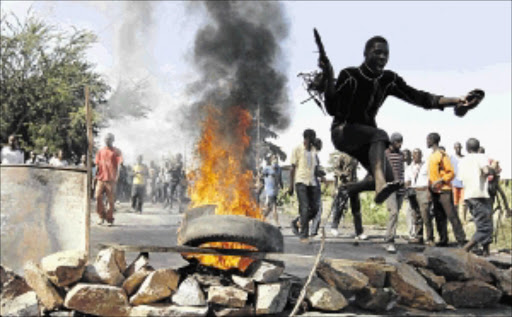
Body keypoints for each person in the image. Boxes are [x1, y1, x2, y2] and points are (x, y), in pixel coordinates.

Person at [318, 35, 482, 209]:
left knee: (390, 178)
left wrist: (456, 101)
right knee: (380, 136)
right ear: (365, 53)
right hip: (343, 132)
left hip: (368, 138)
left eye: (386, 54)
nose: (382, 57)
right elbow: (332, 109)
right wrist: (329, 79)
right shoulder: (350, 75)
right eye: (377, 52)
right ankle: (380, 185)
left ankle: (347, 190)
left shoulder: (388, 80)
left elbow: (419, 97)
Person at [427, 132, 466, 246]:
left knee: (451, 215)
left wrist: (440, 181)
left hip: (444, 190)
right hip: (434, 191)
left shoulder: (442, 155)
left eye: (428, 139)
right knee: (439, 216)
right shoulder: (431, 155)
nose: (427, 142)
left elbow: (451, 173)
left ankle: (461, 240)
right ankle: (443, 239)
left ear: (433, 140)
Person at [458, 138, 494, 256]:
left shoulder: (462, 161)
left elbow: (461, 179)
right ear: (478, 148)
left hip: (469, 195)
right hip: (480, 195)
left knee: (482, 223)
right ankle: (464, 250)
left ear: (467, 149)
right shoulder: (481, 157)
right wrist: (491, 170)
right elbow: (485, 171)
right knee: (485, 227)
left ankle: (486, 251)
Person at [288, 129, 320, 243]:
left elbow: (316, 168)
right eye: (310, 139)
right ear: (305, 139)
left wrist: (321, 174)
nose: (312, 141)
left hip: (312, 183)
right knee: (304, 208)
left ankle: (298, 222)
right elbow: (292, 168)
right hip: (301, 182)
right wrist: (290, 186)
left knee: (315, 209)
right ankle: (303, 236)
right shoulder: (297, 149)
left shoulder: (314, 151)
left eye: (313, 139)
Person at [330, 151, 367, 240]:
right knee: (340, 207)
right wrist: (341, 174)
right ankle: (334, 227)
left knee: (356, 210)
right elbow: (335, 168)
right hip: (344, 185)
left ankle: (359, 232)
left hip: (354, 184)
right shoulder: (343, 156)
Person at [404, 148, 434, 246]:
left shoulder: (427, 166)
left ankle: (430, 238)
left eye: (417, 154)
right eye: (414, 154)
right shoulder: (409, 167)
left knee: (425, 215)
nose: (415, 156)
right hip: (413, 191)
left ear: (421, 155)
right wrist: (407, 185)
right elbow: (407, 180)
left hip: (423, 190)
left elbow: (431, 179)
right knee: (416, 215)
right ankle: (418, 237)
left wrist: (429, 191)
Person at [383, 132, 406, 253]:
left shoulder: (401, 155)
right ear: (392, 142)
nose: (400, 144)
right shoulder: (385, 154)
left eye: (401, 141)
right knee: (394, 212)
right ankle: (389, 242)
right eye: (398, 142)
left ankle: (389, 237)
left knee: (395, 215)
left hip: (400, 189)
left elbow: (401, 171)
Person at [95, 133, 123, 226]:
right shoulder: (100, 151)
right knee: (97, 196)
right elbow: (97, 165)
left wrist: (117, 176)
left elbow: (119, 164)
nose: (107, 140)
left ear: (113, 140)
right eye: (106, 139)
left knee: (110, 200)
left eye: (109, 139)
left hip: (111, 179)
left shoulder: (116, 151)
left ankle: (109, 218)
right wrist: (94, 177)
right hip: (101, 178)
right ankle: (101, 216)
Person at [310, 138, 326, 237]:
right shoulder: (314, 155)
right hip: (314, 184)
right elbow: (314, 170)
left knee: (312, 208)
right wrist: (322, 176)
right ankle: (313, 231)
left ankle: (301, 224)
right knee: (318, 209)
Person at [262, 154, 283, 227]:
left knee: (269, 207)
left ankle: (262, 218)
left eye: (276, 158)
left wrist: (282, 186)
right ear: (270, 160)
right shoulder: (267, 169)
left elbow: (280, 178)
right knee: (274, 207)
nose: (275, 160)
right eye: (274, 158)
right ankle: (277, 223)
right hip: (269, 190)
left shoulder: (279, 169)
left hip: (275, 190)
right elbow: (262, 177)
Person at [450, 142, 467, 221]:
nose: (458, 149)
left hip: (463, 182)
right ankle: (455, 219)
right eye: (456, 147)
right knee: (455, 203)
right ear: (454, 148)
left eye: (459, 147)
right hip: (454, 182)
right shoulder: (451, 158)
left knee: (464, 203)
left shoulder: (465, 158)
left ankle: (463, 219)